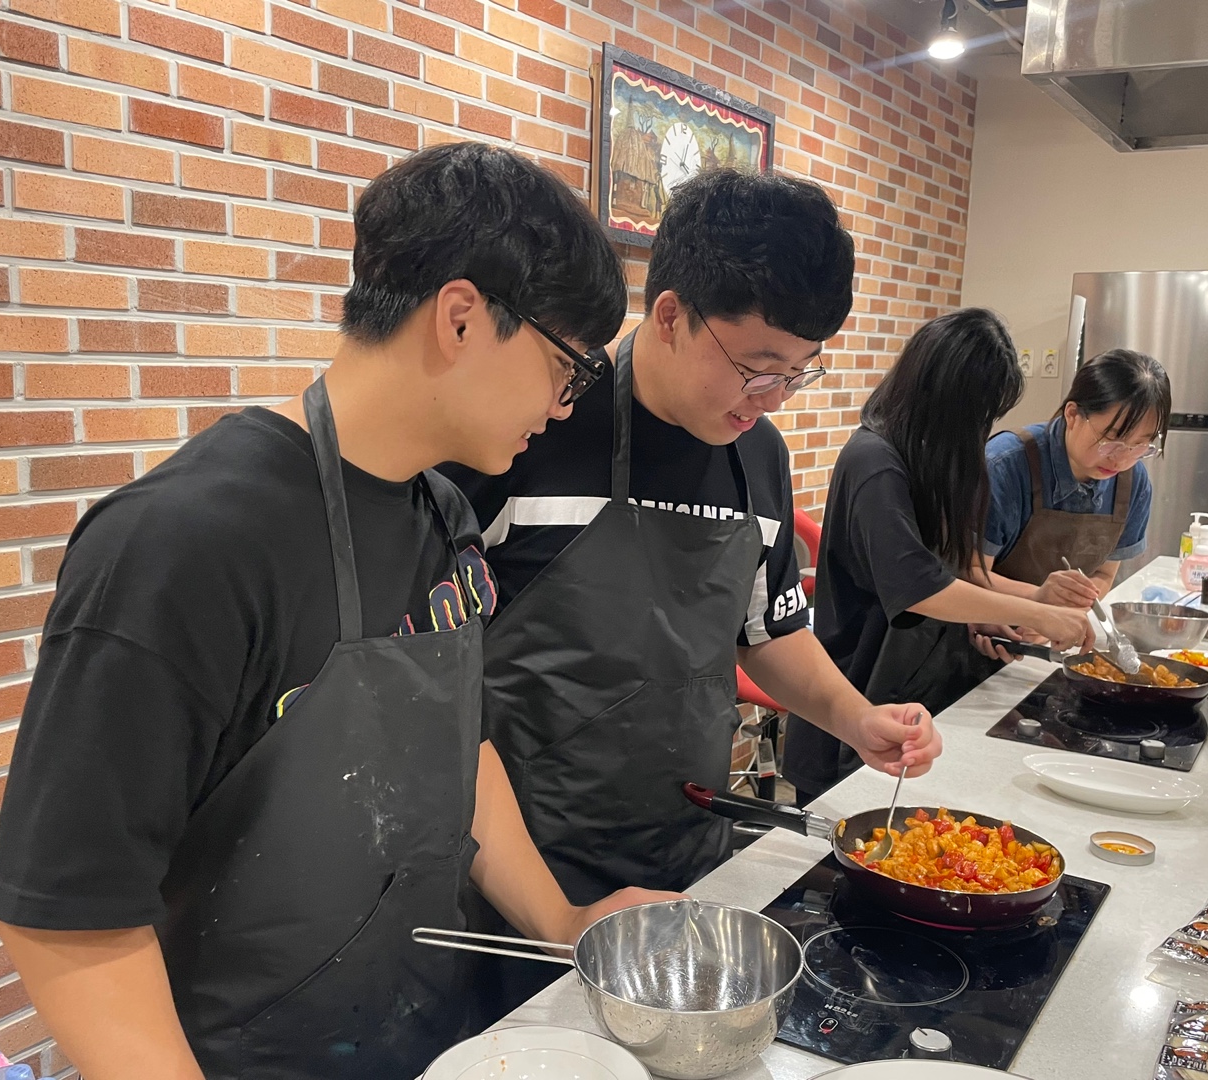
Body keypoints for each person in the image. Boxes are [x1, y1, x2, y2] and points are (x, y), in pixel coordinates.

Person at [0, 144, 672, 1080]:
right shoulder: (182, 543)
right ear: (461, 318)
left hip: (424, 1043)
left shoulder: (445, 516)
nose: (562, 407)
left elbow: (456, 750)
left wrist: (563, 920)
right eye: (568, 368)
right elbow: (66, 914)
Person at [439, 169, 941, 908]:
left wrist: (855, 717)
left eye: (797, 374)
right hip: (517, 867)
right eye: (757, 369)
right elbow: (431, 673)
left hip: (686, 846)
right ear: (670, 316)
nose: (772, 400)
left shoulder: (758, 455)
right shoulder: (531, 425)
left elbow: (766, 631)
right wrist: (554, 914)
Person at [782, 309, 1094, 804]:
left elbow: (952, 569)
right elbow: (920, 586)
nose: (981, 428)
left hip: (920, 698)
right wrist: (1040, 613)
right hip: (858, 700)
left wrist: (982, 621)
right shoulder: (874, 461)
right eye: (977, 413)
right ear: (944, 398)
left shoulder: (933, 458)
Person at [973, 349, 1169, 608]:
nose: (1121, 460)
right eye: (1112, 439)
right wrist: (1035, 604)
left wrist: (1071, 607)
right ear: (1073, 414)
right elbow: (970, 572)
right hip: (988, 621)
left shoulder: (1133, 484)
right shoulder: (1004, 465)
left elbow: (1104, 574)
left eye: (1139, 445)